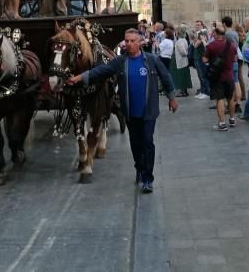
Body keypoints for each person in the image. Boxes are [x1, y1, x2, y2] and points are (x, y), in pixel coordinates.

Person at [67, 29, 178, 193]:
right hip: (130, 112)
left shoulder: (151, 60)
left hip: (148, 111)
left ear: (139, 42)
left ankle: (148, 178)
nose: (129, 43)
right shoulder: (120, 62)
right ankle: (139, 168)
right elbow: (100, 71)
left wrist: (172, 97)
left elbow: (166, 76)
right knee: (135, 144)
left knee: (147, 142)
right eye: (126, 40)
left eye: (133, 41)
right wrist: (80, 77)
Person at [203, 26, 237, 131]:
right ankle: (232, 119)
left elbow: (204, 60)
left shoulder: (211, 46)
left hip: (217, 77)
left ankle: (222, 123)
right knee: (230, 98)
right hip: (229, 76)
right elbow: (235, 59)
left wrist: (212, 63)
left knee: (220, 99)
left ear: (216, 34)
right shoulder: (231, 46)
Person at [171, 26, 192, 97]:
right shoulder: (184, 40)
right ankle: (184, 91)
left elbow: (183, 52)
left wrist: (185, 53)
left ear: (178, 33)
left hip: (181, 61)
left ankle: (183, 92)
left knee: (182, 77)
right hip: (184, 61)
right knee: (184, 76)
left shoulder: (179, 41)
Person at [193, 20, 210, 99]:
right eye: (196, 25)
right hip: (198, 56)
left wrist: (196, 41)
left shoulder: (202, 33)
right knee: (200, 75)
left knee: (203, 75)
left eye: (199, 25)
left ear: (202, 26)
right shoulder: (198, 33)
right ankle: (203, 91)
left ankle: (206, 92)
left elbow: (195, 45)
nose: (197, 26)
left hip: (202, 56)